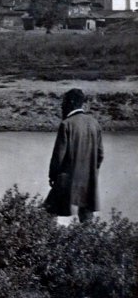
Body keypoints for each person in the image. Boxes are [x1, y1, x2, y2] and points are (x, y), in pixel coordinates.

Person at [47, 88, 103, 223]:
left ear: (71, 103)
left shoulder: (66, 124)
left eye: (64, 102)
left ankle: (47, 241)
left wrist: (53, 176)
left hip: (67, 178)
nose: (62, 106)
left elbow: (58, 156)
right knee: (86, 215)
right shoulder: (94, 123)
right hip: (89, 178)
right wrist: (91, 171)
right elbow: (100, 154)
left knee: (48, 212)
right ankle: (89, 243)